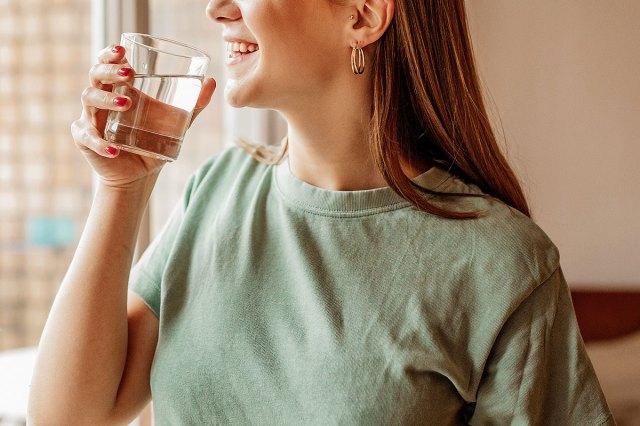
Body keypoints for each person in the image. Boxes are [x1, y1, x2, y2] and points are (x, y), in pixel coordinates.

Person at [28, 0, 616, 424]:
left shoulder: (501, 262)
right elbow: (68, 416)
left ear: (362, 16)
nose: (216, 8)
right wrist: (122, 186)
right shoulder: (214, 193)